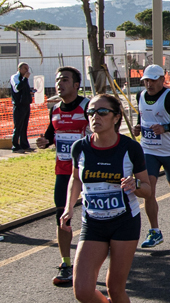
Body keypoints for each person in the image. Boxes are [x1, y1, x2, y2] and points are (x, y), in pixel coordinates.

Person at [61, 93, 152, 303]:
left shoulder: (130, 148)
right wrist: (69, 207)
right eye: (91, 112)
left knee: (115, 289)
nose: (95, 117)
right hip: (93, 223)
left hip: (124, 222)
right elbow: (75, 179)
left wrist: (135, 185)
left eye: (102, 112)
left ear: (116, 117)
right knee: (83, 291)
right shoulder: (80, 148)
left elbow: (147, 190)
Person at [36, 67, 89, 286]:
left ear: (76, 85)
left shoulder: (88, 107)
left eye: (65, 80)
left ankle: (95, 261)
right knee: (62, 217)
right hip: (63, 173)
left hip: (89, 173)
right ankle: (66, 263)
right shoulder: (55, 109)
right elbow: (51, 134)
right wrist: (44, 141)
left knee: (94, 218)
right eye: (58, 79)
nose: (60, 83)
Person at [132, 64, 170, 248]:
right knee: (148, 189)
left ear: (161, 80)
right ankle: (155, 231)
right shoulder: (140, 96)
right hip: (148, 151)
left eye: (152, 80)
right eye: (146, 81)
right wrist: (137, 127)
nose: (149, 84)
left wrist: (165, 128)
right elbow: (142, 118)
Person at [10, 62, 34, 152]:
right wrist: (25, 79)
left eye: (28, 68)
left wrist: (30, 91)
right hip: (19, 105)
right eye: (25, 68)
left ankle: (24, 145)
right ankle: (15, 145)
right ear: (19, 69)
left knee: (24, 126)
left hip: (26, 104)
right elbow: (17, 88)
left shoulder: (25, 79)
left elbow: (23, 90)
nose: (27, 70)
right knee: (18, 125)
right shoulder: (15, 77)